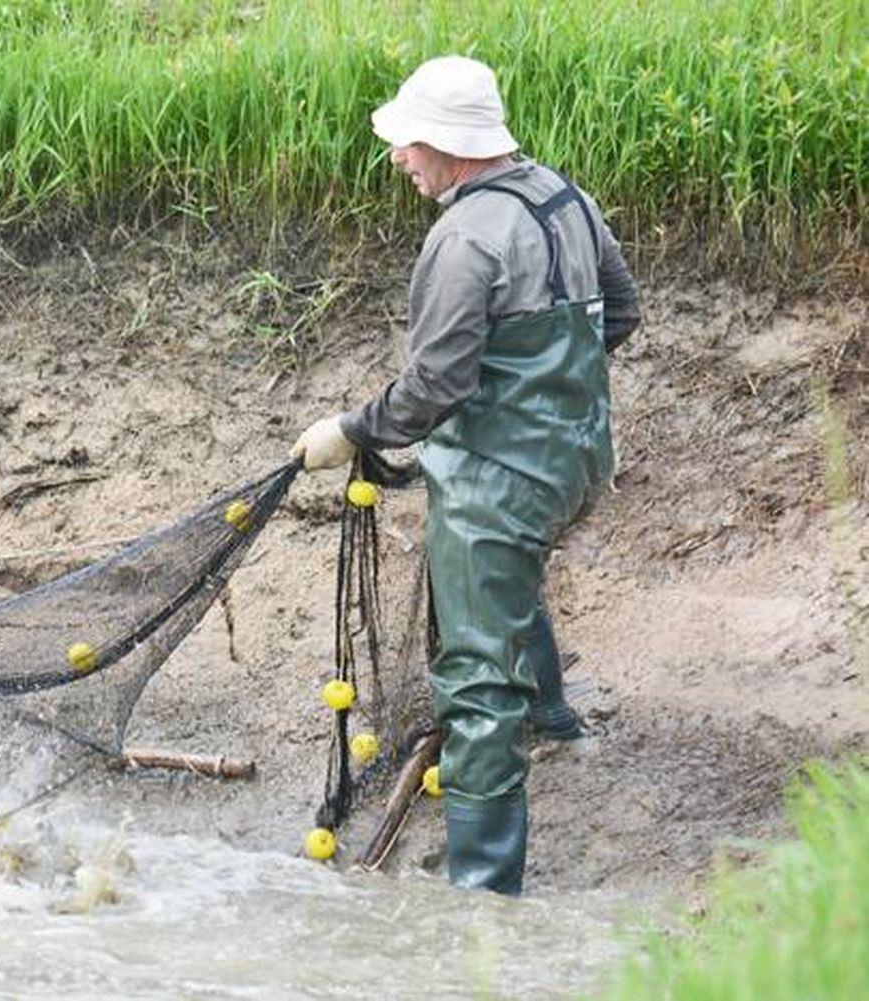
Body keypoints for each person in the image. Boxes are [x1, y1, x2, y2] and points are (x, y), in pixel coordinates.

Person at [291, 56, 640, 894]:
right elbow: (621, 313)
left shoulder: (464, 237)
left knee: (478, 681)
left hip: (502, 480)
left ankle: (484, 898)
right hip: (580, 460)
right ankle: (554, 714)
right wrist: (549, 399)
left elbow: (433, 388)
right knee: (502, 573)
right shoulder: (564, 196)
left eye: (407, 143)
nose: (397, 159)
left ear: (447, 143)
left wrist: (348, 430)